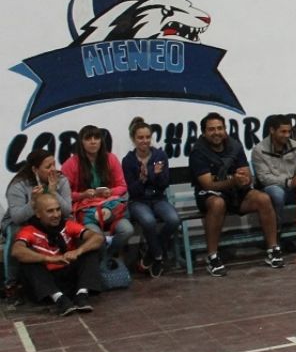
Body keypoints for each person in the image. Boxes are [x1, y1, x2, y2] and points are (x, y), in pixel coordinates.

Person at [189, 112, 283, 276]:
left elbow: (246, 174)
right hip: (209, 195)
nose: (216, 132)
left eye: (220, 128)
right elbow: (208, 183)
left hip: (236, 193)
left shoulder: (234, 146)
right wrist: (233, 180)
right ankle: (212, 256)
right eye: (211, 129)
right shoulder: (198, 151)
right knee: (218, 204)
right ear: (204, 133)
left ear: (225, 130)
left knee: (263, 198)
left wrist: (244, 180)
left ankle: (273, 250)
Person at [12, 193, 104, 316]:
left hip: (69, 276)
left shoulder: (67, 224)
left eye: (58, 209)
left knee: (91, 250)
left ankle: (82, 295)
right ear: (38, 214)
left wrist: (78, 251)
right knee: (27, 263)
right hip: (47, 283)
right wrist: (49, 259)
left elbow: (97, 238)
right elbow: (17, 251)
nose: (56, 215)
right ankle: (60, 300)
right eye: (50, 211)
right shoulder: (28, 230)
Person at [2, 149, 72, 303]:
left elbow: (67, 212)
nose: (53, 169)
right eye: (48, 167)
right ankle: (11, 284)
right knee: (17, 235)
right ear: (34, 169)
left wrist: (54, 193)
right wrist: (33, 202)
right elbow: (17, 217)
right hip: (23, 222)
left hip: (49, 221)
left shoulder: (61, 180)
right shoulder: (19, 185)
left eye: (54, 164)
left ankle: (69, 274)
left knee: (72, 227)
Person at [61, 125, 134, 264]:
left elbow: (122, 186)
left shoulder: (110, 159)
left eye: (97, 138)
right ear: (81, 142)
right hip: (86, 211)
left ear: (101, 141)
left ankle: (108, 257)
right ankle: (103, 264)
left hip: (110, 208)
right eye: (88, 138)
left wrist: (110, 192)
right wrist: (82, 195)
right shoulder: (70, 164)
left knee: (127, 230)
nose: (93, 142)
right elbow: (65, 195)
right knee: (96, 237)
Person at [122, 117, 180, 277]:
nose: (145, 141)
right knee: (148, 221)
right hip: (138, 201)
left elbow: (165, 183)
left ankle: (151, 253)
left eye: (148, 137)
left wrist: (155, 176)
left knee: (174, 220)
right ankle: (159, 257)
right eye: (140, 137)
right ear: (133, 139)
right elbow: (133, 191)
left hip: (158, 198)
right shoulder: (128, 161)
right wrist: (142, 179)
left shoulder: (160, 155)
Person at [252, 114, 296, 232]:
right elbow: (264, 178)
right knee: (277, 194)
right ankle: (276, 230)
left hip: (293, 188)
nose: (287, 135)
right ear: (272, 130)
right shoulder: (259, 150)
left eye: (289, 131)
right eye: (283, 131)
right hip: (271, 188)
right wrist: (289, 181)